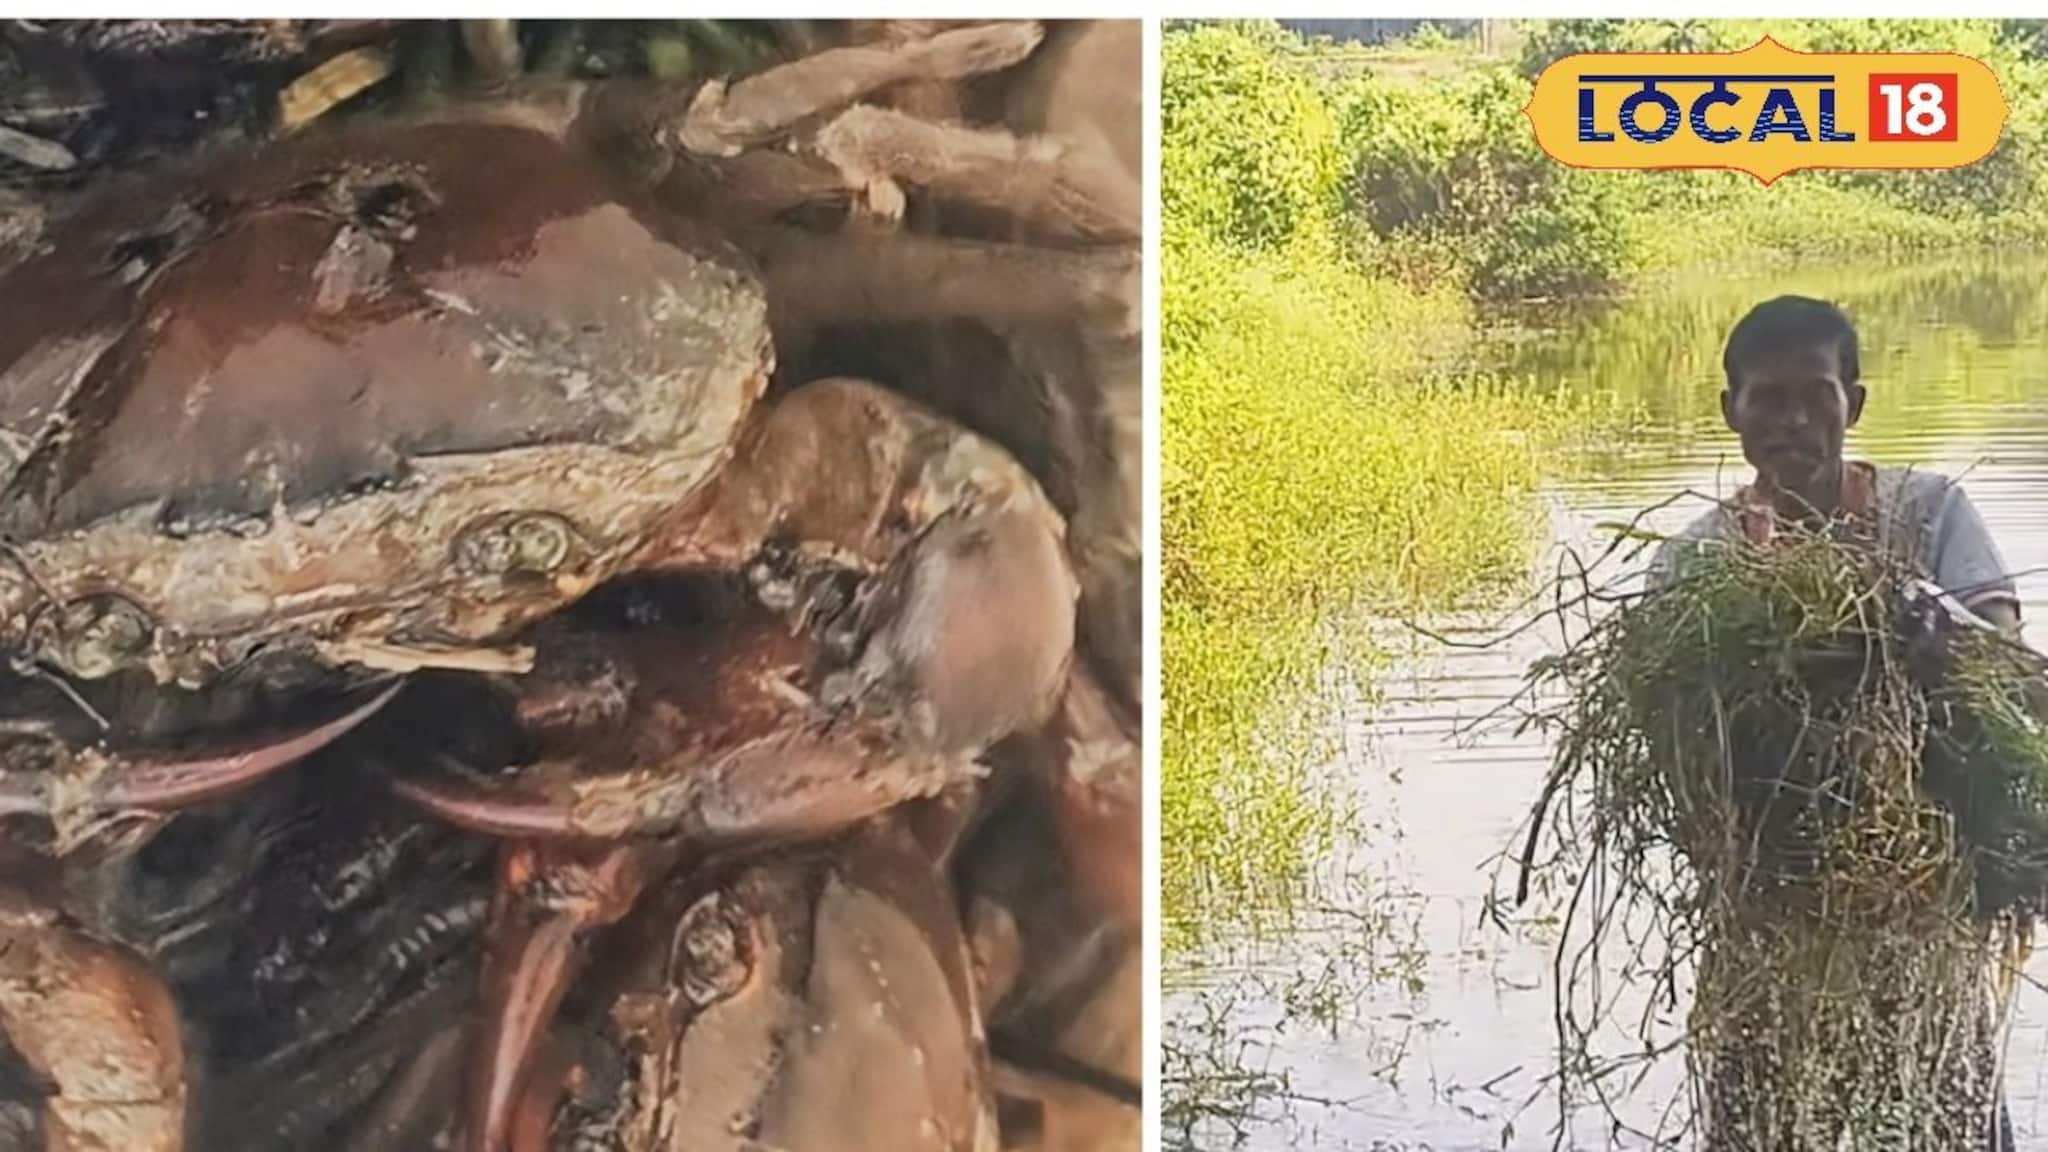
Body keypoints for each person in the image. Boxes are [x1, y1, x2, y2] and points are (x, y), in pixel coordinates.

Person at [1653, 294, 2018, 1151]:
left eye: (1814, 395)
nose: (1792, 421)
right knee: (1761, 1122)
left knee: (1951, 1115)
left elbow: (2003, 654)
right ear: (1731, 411)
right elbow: (1679, 750)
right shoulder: (1697, 562)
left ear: (1852, 403)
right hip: (1769, 909)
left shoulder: (1926, 513)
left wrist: (1939, 653)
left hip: (1919, 904)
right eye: (1767, 398)